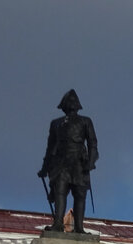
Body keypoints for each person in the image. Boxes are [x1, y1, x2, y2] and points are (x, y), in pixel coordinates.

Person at [38, 89, 98, 233]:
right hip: (60, 163)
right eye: (68, 103)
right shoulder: (56, 123)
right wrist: (45, 168)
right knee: (60, 192)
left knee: (79, 194)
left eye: (73, 103)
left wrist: (90, 162)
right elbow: (50, 147)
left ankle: (79, 227)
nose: (71, 105)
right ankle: (58, 223)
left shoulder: (85, 121)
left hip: (78, 162)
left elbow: (92, 143)